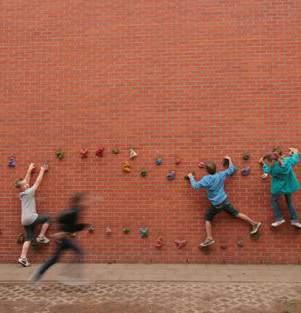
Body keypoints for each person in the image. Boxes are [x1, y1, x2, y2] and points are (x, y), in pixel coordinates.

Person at [187, 156, 262, 248]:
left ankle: (209, 238)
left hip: (216, 204)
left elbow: (195, 186)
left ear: (207, 170)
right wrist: (230, 159)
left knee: (208, 219)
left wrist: (191, 177)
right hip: (224, 200)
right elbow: (232, 169)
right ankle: (254, 223)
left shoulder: (206, 179)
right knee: (236, 213)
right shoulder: (220, 174)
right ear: (215, 168)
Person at [31, 192, 89, 282]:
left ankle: (37, 275)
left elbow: (72, 227)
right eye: (84, 201)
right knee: (79, 252)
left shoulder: (76, 211)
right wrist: (58, 233)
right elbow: (58, 219)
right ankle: (70, 276)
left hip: (64, 239)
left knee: (54, 259)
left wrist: (84, 226)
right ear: (79, 202)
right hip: (63, 239)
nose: (86, 203)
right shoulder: (73, 212)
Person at [15, 163, 50, 267]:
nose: (27, 184)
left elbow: (26, 181)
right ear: (22, 187)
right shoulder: (29, 192)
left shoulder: (22, 194)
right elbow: (37, 182)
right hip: (31, 217)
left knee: (28, 238)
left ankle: (23, 258)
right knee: (48, 218)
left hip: (24, 220)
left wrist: (29, 170)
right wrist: (42, 170)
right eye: (25, 184)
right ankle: (41, 236)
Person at [261, 147, 301, 228]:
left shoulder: (273, 168)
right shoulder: (287, 161)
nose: (266, 164)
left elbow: (267, 169)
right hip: (288, 186)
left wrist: (264, 168)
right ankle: (295, 220)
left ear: (272, 161)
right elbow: (295, 158)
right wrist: (293, 151)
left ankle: (279, 218)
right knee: (289, 203)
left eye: (267, 162)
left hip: (278, 188)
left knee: (273, 201)